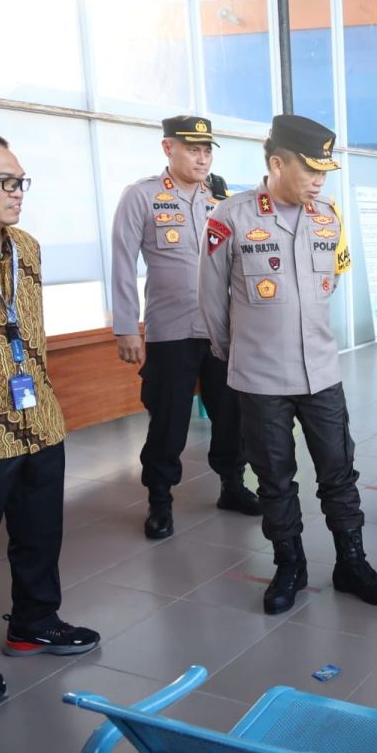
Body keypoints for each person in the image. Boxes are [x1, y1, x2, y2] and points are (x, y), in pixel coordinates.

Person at [199, 114, 377, 614]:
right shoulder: (231, 216)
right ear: (276, 162)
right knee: (275, 479)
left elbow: (328, 286)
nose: (319, 180)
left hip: (322, 373)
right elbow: (210, 301)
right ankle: (290, 564)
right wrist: (235, 358)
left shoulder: (328, 214)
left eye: (325, 171)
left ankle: (351, 562)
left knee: (339, 471)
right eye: (311, 170)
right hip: (260, 378)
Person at [0, 129, 99, 708]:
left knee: (40, 534)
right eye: (4, 180)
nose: (16, 191)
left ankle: (35, 621)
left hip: (38, 419)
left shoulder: (25, 246)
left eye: (20, 180)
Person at [111, 115, 259, 540]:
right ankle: (160, 500)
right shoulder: (142, 197)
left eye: (207, 150)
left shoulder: (223, 200)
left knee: (231, 414)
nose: (202, 157)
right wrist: (125, 327)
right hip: (170, 330)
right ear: (167, 149)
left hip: (222, 329)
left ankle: (233, 485)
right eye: (193, 149)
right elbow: (123, 262)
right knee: (169, 420)